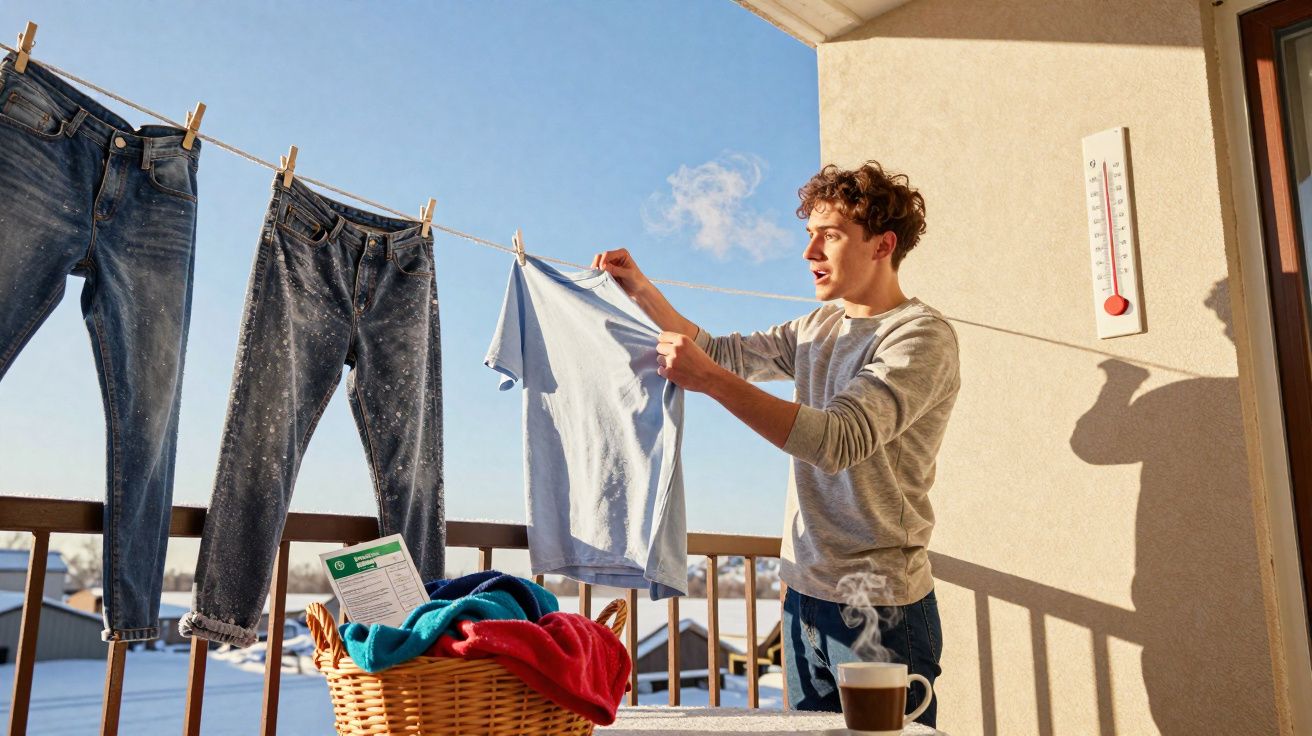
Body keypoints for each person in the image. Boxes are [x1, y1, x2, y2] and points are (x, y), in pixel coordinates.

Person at [592, 161, 960, 726]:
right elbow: (722, 353)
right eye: (808, 235)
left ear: (882, 244)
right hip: (802, 597)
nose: (810, 251)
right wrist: (640, 290)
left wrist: (709, 381)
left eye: (830, 235)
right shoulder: (818, 327)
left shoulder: (919, 336)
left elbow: (838, 439)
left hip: (877, 606)